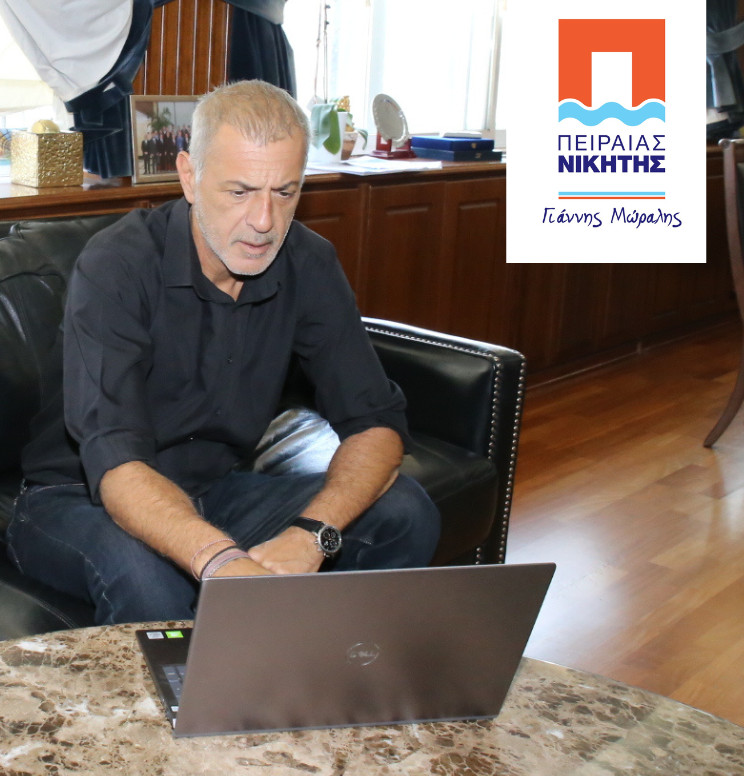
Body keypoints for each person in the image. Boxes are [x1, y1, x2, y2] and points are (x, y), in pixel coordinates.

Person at [7, 80, 440, 625]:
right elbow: (117, 463)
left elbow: (376, 424)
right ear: (189, 176)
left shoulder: (308, 262)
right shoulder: (118, 264)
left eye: (285, 192)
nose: (264, 221)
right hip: (74, 498)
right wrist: (221, 559)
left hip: (213, 490)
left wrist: (312, 534)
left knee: (406, 510)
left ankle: (328, 668)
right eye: (240, 192)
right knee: (148, 576)